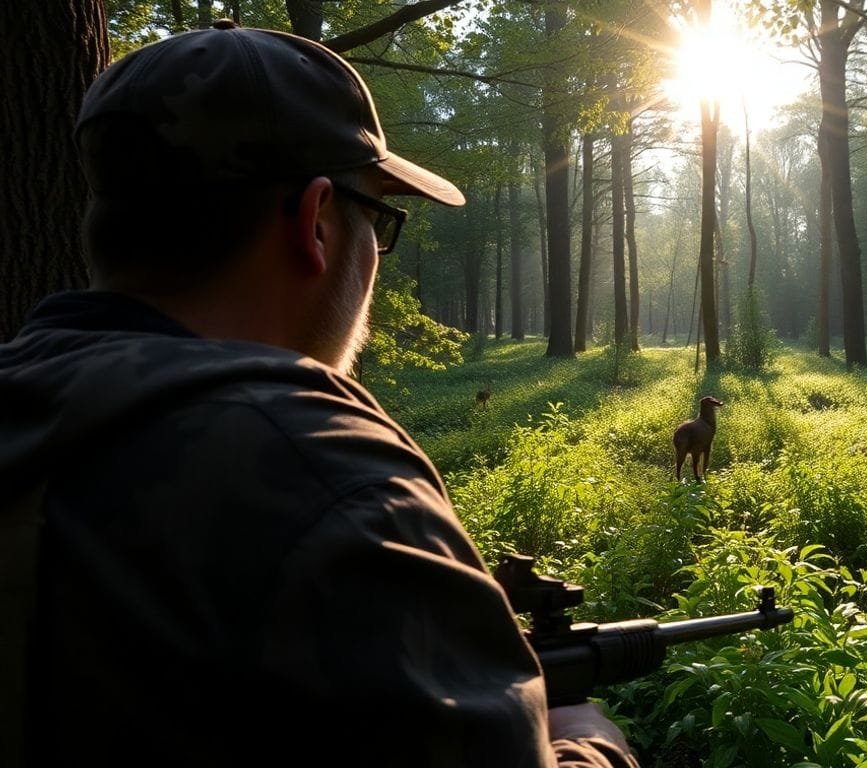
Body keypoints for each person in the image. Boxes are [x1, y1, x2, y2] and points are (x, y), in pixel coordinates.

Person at [0, 21, 636, 767]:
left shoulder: (28, 402)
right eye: (379, 220)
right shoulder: (324, 476)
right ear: (317, 224)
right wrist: (586, 741)